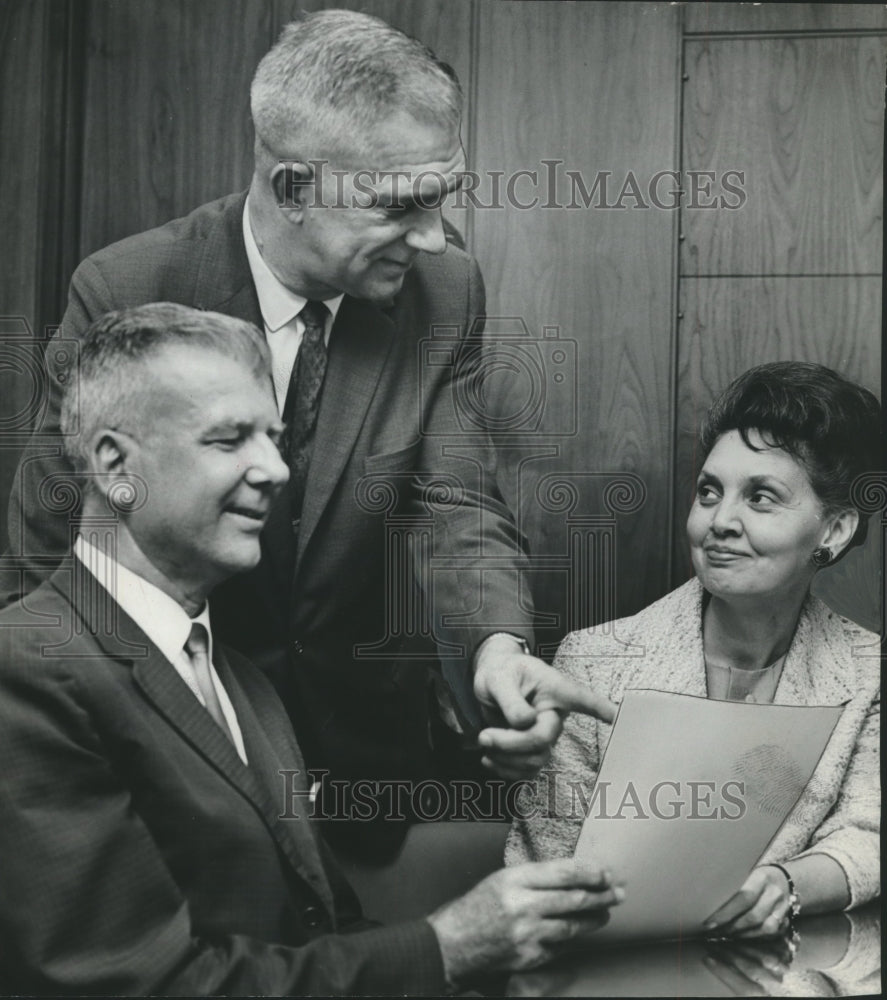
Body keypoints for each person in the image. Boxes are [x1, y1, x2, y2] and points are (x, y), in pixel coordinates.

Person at [3, 9, 614, 855]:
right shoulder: (128, 287)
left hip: (365, 759)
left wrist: (495, 650)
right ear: (293, 189)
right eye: (401, 207)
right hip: (173, 749)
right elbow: (49, 549)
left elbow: (455, 503)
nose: (433, 238)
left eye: (443, 200)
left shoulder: (444, 290)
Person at [0, 304, 625, 995]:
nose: (275, 469)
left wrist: (484, 969)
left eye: (275, 438)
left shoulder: (241, 681)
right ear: (116, 465)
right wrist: (445, 947)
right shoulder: (28, 669)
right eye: (230, 439)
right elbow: (133, 986)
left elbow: (324, 934)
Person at [506, 362, 881, 936]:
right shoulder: (594, 661)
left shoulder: (868, 671)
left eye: (761, 498)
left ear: (834, 530)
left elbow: (868, 834)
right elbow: (545, 868)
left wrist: (787, 885)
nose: (719, 521)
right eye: (710, 491)